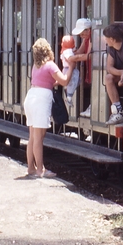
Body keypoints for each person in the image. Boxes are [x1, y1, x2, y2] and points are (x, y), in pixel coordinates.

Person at [24, 38, 74, 178]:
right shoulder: (50, 65)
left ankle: (30, 168)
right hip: (41, 99)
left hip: (31, 97)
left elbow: (48, 81)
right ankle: (41, 170)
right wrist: (71, 67)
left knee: (32, 137)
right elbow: (64, 80)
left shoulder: (36, 66)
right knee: (39, 138)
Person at [67, 18, 93, 117]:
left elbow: (89, 55)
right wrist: (69, 53)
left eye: (82, 33)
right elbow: (80, 51)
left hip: (95, 65)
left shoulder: (92, 38)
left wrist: (74, 58)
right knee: (92, 85)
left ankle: (93, 107)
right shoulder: (86, 38)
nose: (81, 36)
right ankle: (92, 106)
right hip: (90, 65)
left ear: (88, 30)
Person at [59, 35, 80, 106]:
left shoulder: (65, 50)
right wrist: (76, 59)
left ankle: (68, 95)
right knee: (73, 83)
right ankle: (69, 98)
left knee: (70, 84)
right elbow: (70, 58)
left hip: (65, 69)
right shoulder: (68, 51)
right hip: (70, 69)